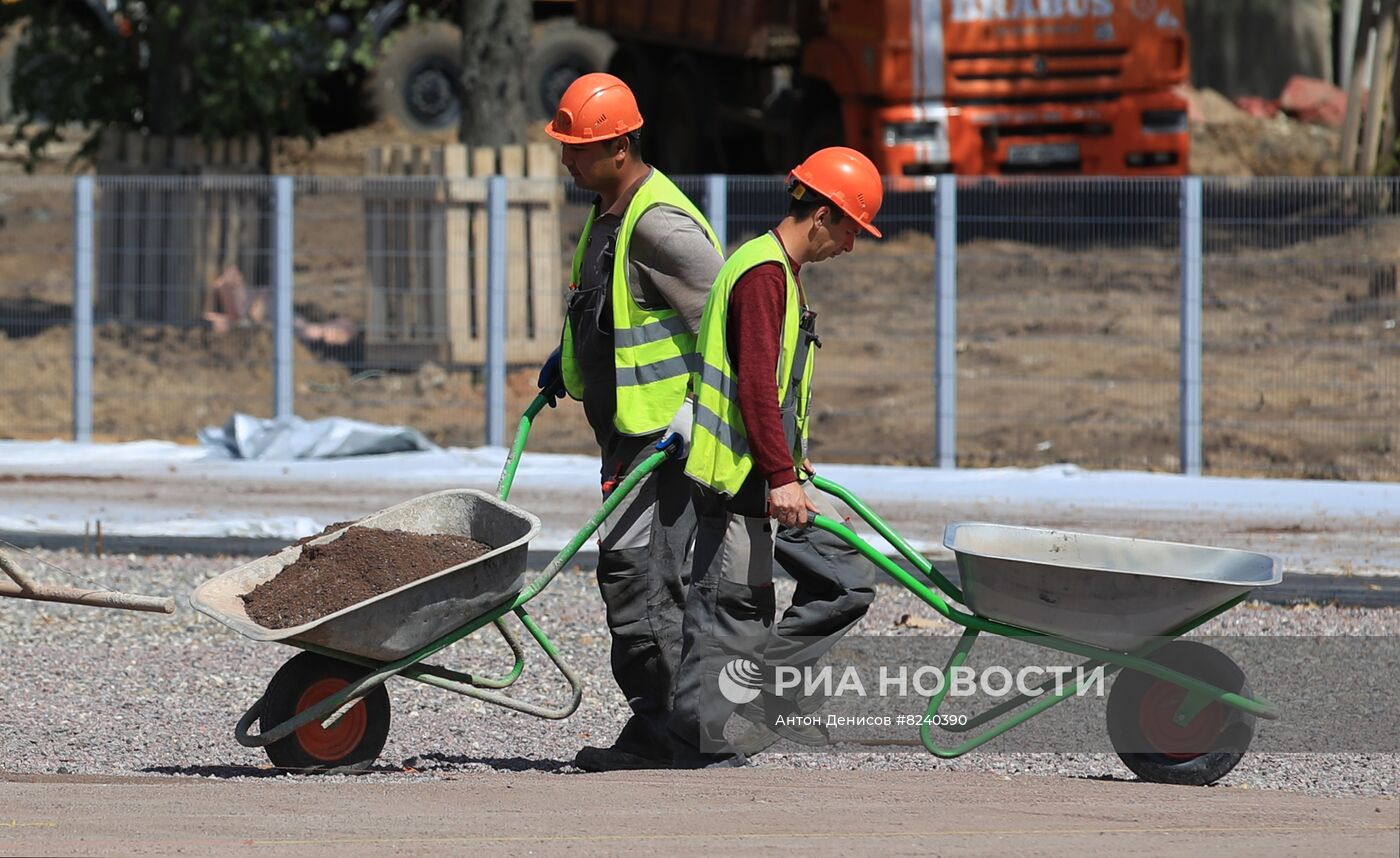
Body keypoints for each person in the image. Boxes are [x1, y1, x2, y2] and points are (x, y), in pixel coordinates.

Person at [668, 147, 883, 768]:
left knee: (848, 578)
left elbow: (778, 388)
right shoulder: (763, 275)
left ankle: (766, 697)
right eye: (850, 229)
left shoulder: (782, 273)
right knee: (729, 609)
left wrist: (793, 462)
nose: (850, 246)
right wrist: (780, 473)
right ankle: (695, 740)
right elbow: (756, 387)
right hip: (741, 480)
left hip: (766, 475)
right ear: (822, 213)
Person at [537, 72, 725, 772]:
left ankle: (680, 735)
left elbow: (729, 319)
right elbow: (612, 307)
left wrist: (693, 410)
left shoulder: (659, 222)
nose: (565, 160)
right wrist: (569, 354)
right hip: (626, 438)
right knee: (631, 576)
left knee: (641, 578)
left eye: (577, 148)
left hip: (663, 443)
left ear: (619, 146)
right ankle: (667, 725)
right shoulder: (609, 209)